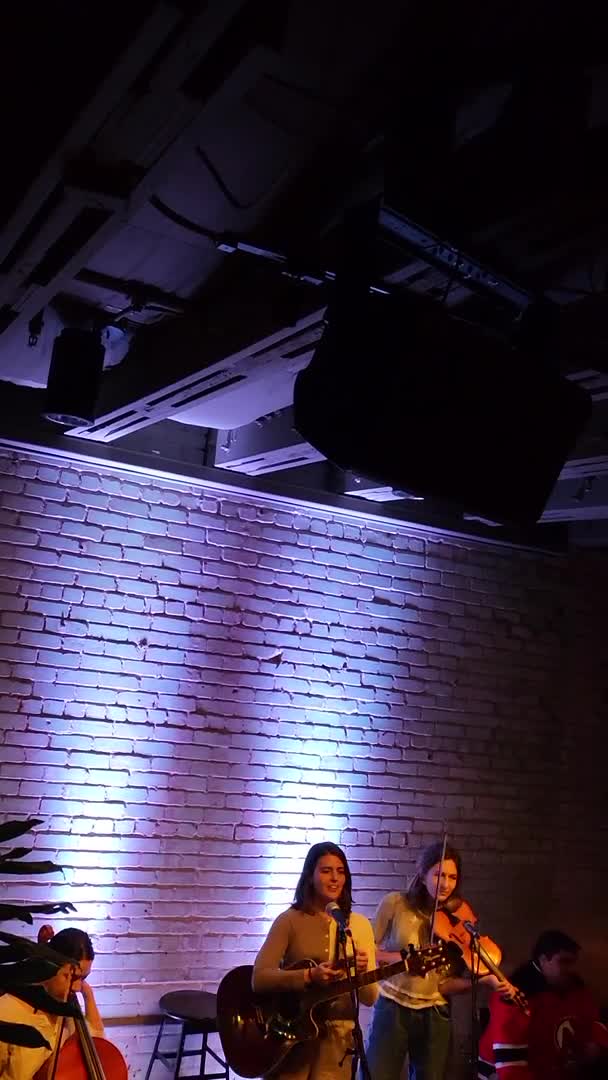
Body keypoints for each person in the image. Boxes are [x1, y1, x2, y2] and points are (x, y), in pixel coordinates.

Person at [365, 841, 513, 1080]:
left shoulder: (458, 918)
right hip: (392, 1005)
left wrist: (484, 981)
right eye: (439, 875)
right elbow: (368, 952)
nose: (445, 884)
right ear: (423, 874)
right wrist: (405, 959)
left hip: (435, 1013)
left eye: (452, 877)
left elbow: (444, 985)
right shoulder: (395, 903)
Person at [253, 841, 378, 1080]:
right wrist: (309, 975)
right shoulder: (289, 920)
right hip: (291, 1039)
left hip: (338, 1043)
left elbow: (370, 998)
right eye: (326, 871)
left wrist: (360, 974)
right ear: (310, 876)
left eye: (340, 871)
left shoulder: (359, 925)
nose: (335, 878)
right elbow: (259, 978)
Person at [478, 929, 608, 1079]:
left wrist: (595, 1043)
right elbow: (510, 1068)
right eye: (563, 962)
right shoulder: (515, 996)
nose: (570, 969)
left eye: (572, 963)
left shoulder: (574, 987)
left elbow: (592, 1019)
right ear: (543, 960)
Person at [0, 926, 103, 1080]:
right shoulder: (6, 1013)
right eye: (72, 977)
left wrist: (88, 993)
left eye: (83, 978)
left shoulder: (66, 1014)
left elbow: (99, 1042)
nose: (76, 987)